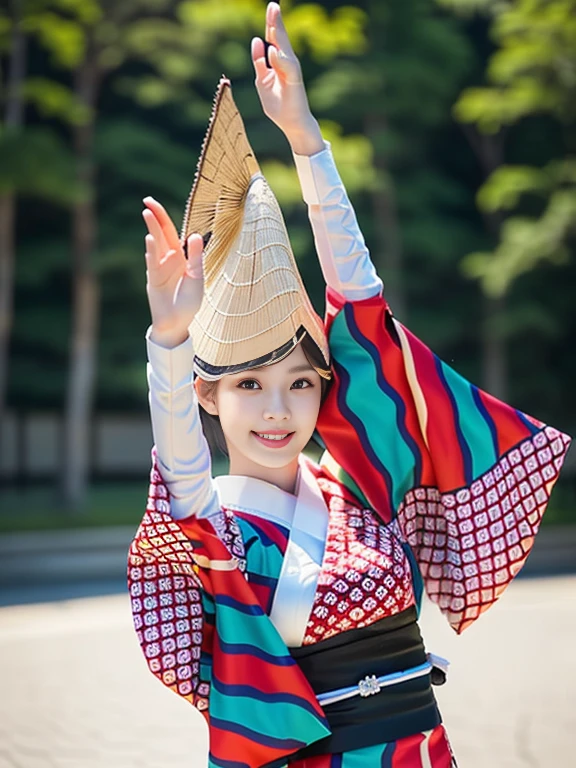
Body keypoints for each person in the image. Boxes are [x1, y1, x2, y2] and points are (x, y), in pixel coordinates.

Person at [128, 4, 571, 767]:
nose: (279, 409)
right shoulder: (215, 528)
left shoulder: (358, 483)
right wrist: (170, 342)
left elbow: (360, 302)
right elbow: (179, 471)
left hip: (425, 750)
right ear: (208, 397)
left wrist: (307, 142)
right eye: (250, 387)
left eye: (302, 384)